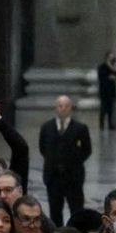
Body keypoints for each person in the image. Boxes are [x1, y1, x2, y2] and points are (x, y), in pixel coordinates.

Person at [38, 95, 92, 225]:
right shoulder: (47, 127)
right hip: (53, 176)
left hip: (73, 177)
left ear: (71, 108)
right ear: (56, 108)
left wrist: (74, 162)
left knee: (76, 209)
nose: (63, 109)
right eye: (60, 106)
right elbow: (43, 148)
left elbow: (87, 149)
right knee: (55, 209)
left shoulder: (80, 128)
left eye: (66, 106)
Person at [96, 53, 116, 130]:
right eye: (110, 57)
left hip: (112, 91)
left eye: (113, 57)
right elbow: (101, 77)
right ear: (107, 58)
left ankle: (110, 124)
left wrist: (114, 70)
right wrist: (109, 77)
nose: (112, 59)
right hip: (104, 91)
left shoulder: (113, 67)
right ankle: (101, 125)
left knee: (111, 109)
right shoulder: (102, 67)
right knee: (103, 109)